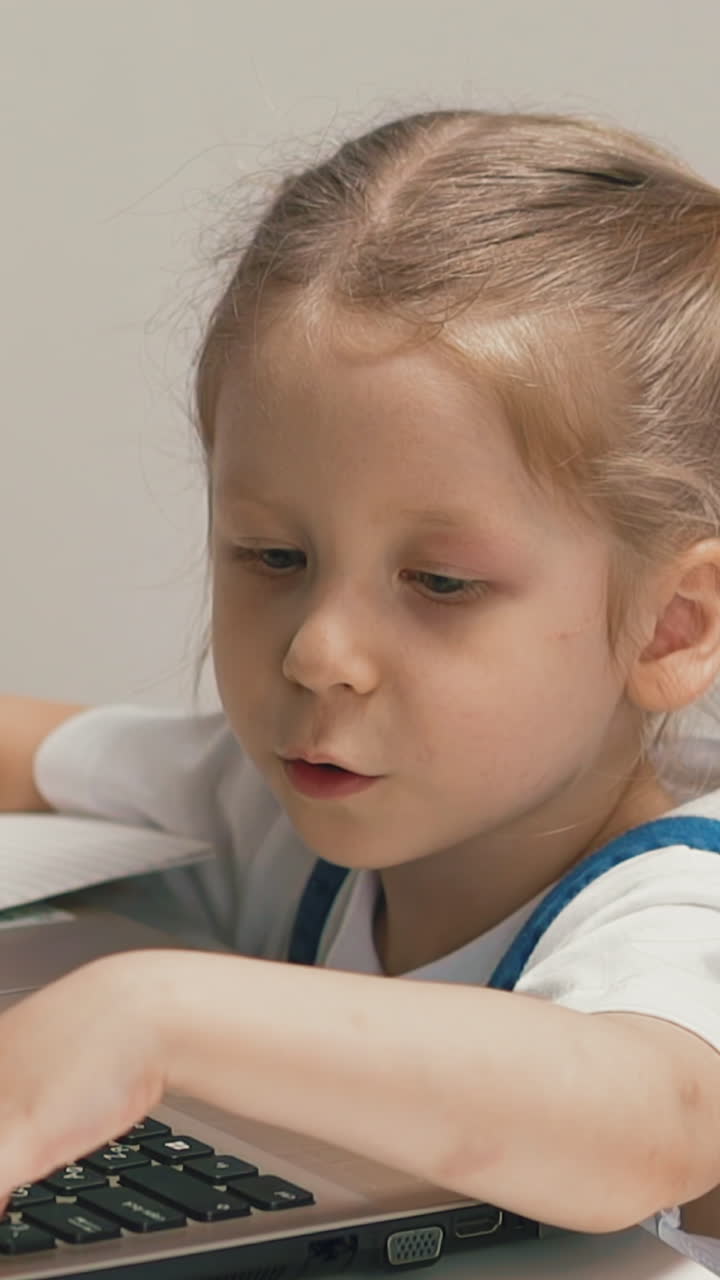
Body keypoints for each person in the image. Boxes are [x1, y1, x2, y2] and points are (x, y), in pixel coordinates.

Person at [2, 105, 720, 1273]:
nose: (317, 651)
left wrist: (148, 1015)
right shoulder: (287, 800)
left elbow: (652, 1121)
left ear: (670, 627)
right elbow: (33, 751)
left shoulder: (681, 908)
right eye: (273, 557)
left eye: (438, 581)